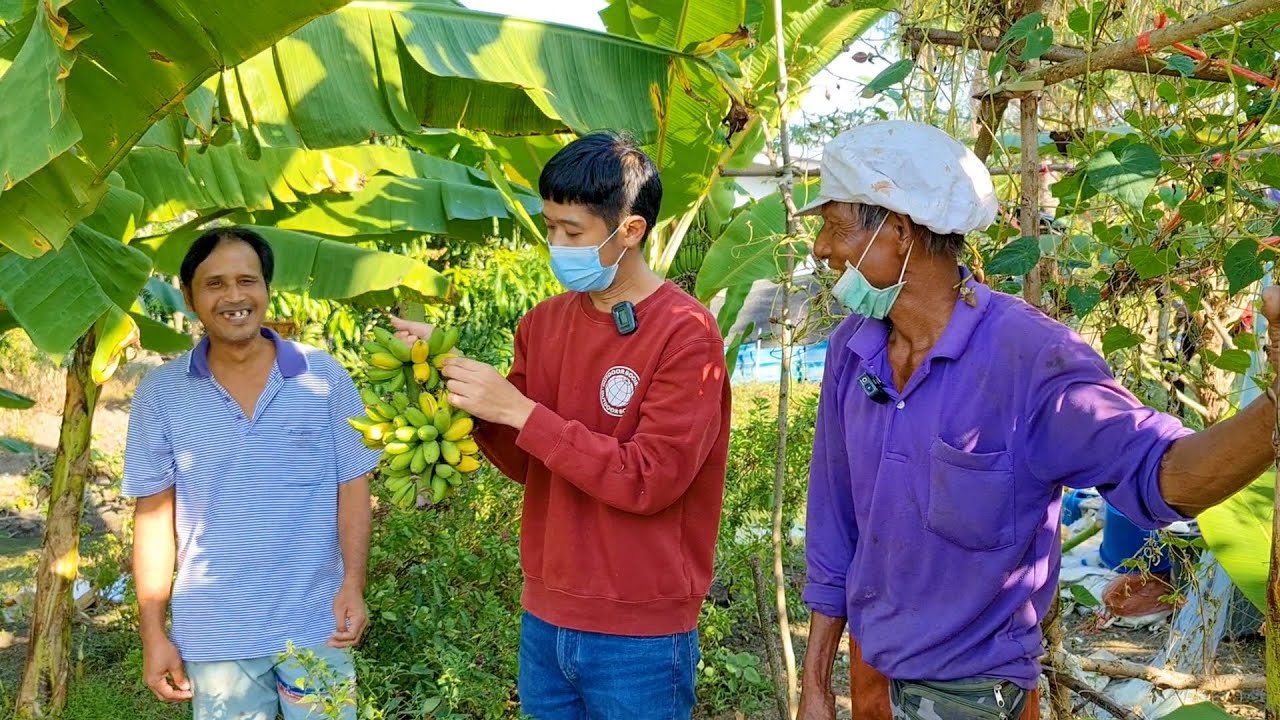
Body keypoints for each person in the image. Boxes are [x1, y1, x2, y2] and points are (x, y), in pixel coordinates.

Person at [794, 120, 1280, 720]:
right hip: (871, 675)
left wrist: (1276, 409)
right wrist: (815, 682)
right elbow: (834, 526)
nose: (821, 248)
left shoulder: (1031, 361)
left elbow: (1165, 476)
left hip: (974, 698)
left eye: (834, 228)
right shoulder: (853, 349)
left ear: (895, 232)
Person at [391, 131, 730, 720]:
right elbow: (533, 460)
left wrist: (520, 411)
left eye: (571, 233)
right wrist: (467, 393)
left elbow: (651, 479)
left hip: (641, 635)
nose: (555, 244)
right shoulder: (543, 324)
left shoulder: (686, 333)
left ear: (630, 231)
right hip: (545, 620)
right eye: (550, 227)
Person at [123, 227, 378, 720]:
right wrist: (153, 632)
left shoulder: (323, 376)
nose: (235, 296)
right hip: (217, 633)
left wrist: (353, 584)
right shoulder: (160, 393)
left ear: (266, 289)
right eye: (215, 284)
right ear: (190, 298)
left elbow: (353, 485)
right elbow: (152, 517)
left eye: (248, 280)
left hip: (317, 623)